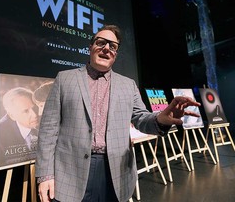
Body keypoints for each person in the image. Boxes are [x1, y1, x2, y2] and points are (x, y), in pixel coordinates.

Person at [35, 24, 201, 202]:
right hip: (70, 173)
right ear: (90, 47)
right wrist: (45, 175)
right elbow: (48, 130)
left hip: (116, 173)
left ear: (115, 54)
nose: (106, 48)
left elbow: (142, 119)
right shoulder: (64, 79)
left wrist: (162, 119)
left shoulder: (128, 85)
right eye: (101, 43)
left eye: (112, 46)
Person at [0, 87, 40, 167]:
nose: (35, 115)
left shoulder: (46, 119)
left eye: (34, 108)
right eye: (26, 111)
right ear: (12, 115)